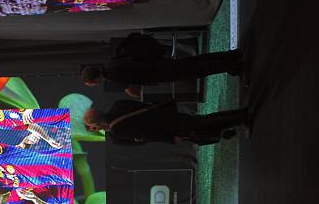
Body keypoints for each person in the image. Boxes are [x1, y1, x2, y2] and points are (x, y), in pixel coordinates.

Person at [82, 49, 244, 98]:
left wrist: (136, 93)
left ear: (95, 79)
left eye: (91, 83)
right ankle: (229, 56)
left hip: (158, 73)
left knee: (196, 70)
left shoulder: (113, 76)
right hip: (157, 63)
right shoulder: (111, 62)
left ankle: (229, 66)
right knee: (194, 62)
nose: (93, 85)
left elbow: (133, 92)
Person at [83, 99, 252, 145]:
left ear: (97, 124)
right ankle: (239, 116)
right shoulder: (118, 104)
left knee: (204, 123)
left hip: (166, 128)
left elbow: (147, 134)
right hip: (165, 114)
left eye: (92, 127)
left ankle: (241, 118)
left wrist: (169, 139)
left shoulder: (117, 130)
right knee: (203, 121)